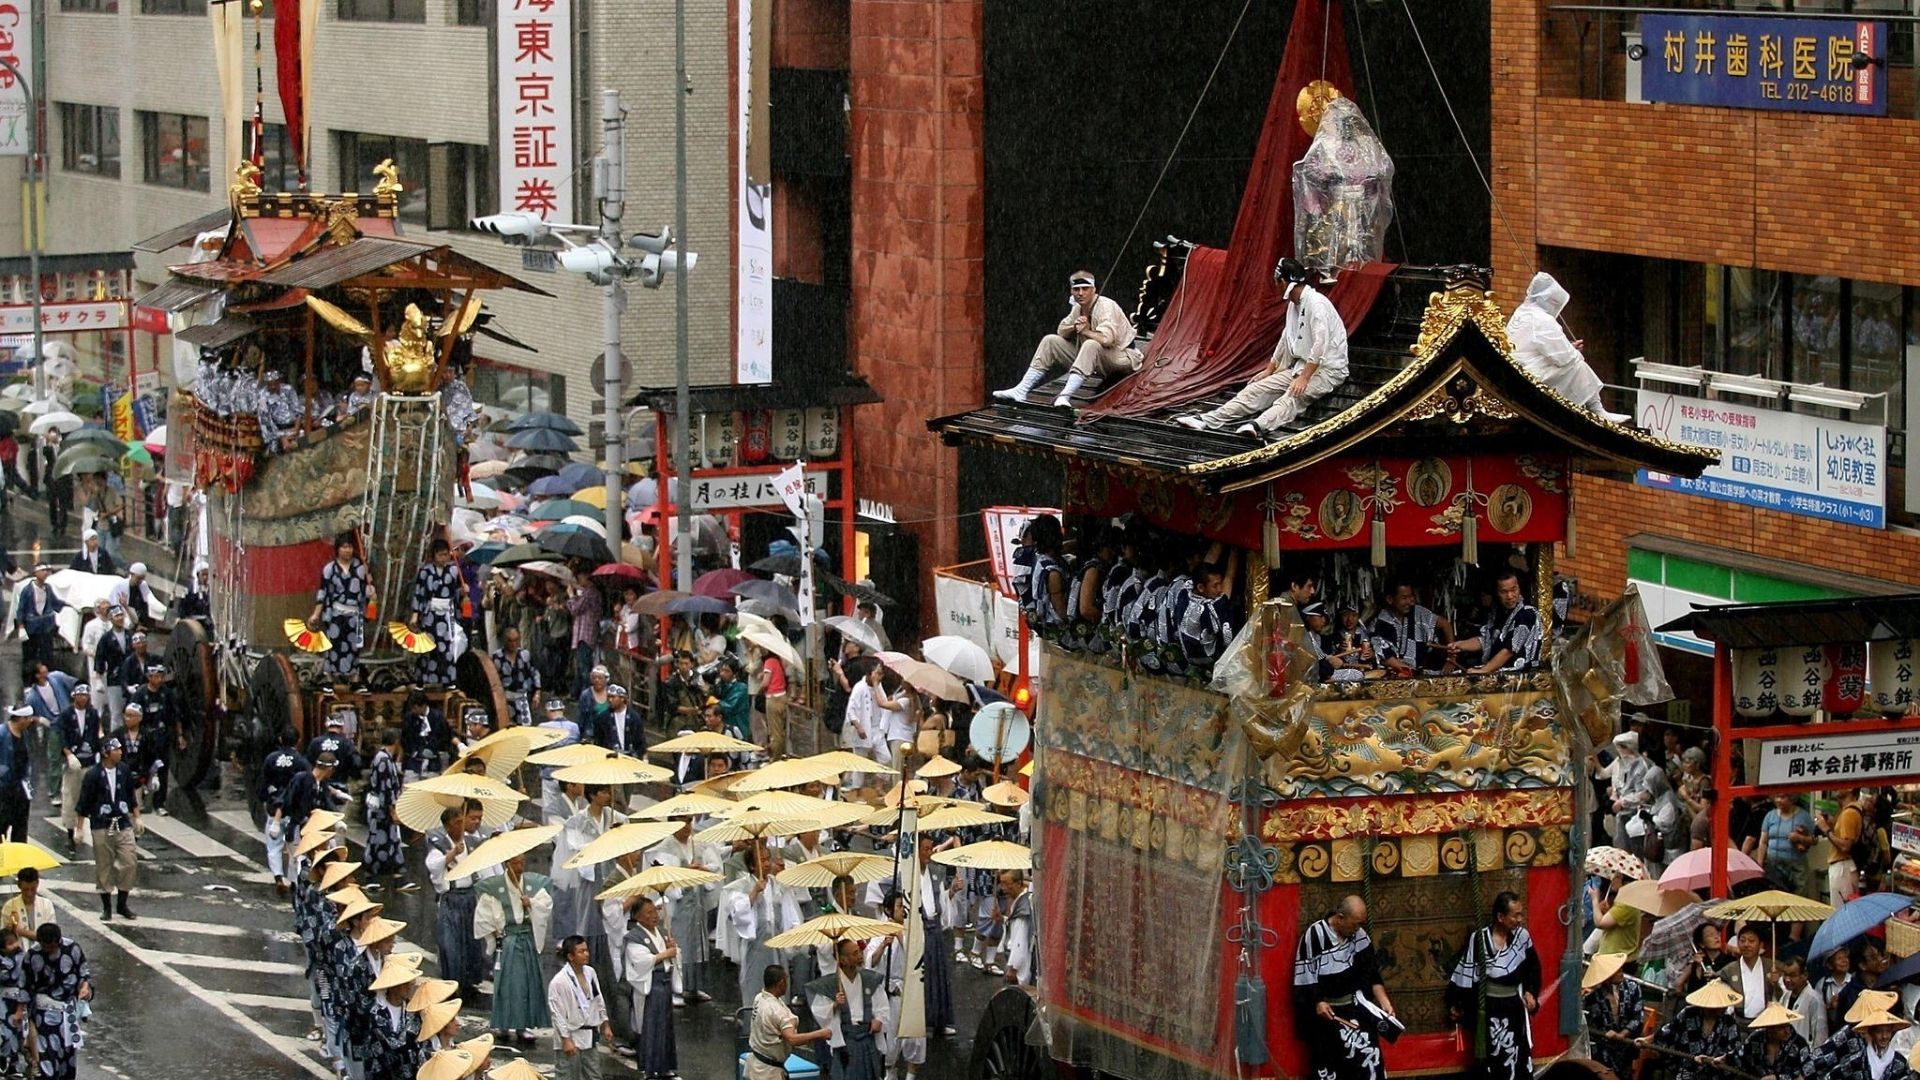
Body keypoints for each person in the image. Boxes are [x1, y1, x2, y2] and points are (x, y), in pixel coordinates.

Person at [1177, 258, 1349, 438]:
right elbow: (1286, 337)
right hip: (1300, 367)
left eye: (1277, 281)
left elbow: (1320, 343)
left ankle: (1257, 426)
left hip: (1327, 371)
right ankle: (1207, 420)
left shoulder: (1317, 304)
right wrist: (1270, 369)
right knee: (1255, 389)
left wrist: (1304, 377)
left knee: (1292, 397)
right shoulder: (1294, 304)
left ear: (1283, 282)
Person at [992, 270, 1139, 407]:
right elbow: (1061, 331)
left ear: (1094, 290)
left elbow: (1108, 340)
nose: (1080, 293)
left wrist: (1086, 331)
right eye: (1076, 289)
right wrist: (1074, 327)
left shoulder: (1106, 306)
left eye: (1085, 289)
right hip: (1094, 361)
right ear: (1072, 291)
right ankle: (1022, 390)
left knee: (1091, 344)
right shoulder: (1078, 307)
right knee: (1050, 340)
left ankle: (1065, 395)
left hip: (1121, 358)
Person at [1293, 894, 1397, 1080]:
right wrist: (1318, 1002)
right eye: (1354, 924)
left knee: (1369, 1057)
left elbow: (1371, 972)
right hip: (1328, 1014)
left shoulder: (1358, 935)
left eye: (1360, 924)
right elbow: (1306, 977)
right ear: (1340, 918)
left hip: (1356, 1007)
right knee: (1331, 1066)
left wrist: (1384, 1002)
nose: (1357, 929)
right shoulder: (1314, 936)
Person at [1446, 892, 1541, 1080]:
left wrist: (1531, 992)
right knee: (1493, 1058)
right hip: (1489, 1009)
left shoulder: (1522, 937)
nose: (1519, 919)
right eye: (1515, 915)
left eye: (1521, 914)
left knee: (1516, 1054)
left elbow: (1533, 967)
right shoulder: (1479, 939)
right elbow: (1466, 976)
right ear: (1500, 917)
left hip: (1514, 1007)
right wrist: (1458, 1004)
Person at [1506, 272, 1620, 418]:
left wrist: (1569, 347)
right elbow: (1564, 358)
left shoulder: (1521, 312)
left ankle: (1595, 408)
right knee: (1577, 364)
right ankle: (1597, 409)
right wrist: (1573, 351)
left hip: (1517, 369)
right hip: (1530, 374)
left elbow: (1542, 347)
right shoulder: (1542, 319)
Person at [474, 850, 552, 1045]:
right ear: (508, 863)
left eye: (522, 862)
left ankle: (522, 1025)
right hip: (508, 941)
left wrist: (531, 903)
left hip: (527, 940)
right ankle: (503, 1023)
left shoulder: (533, 884)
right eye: (516, 863)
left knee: (526, 983)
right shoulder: (494, 887)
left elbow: (545, 905)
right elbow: (484, 917)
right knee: (508, 984)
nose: (520, 867)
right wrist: (496, 934)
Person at [647, 819, 718, 1006]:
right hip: (677, 904)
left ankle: (694, 986)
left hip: (696, 900)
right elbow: (663, 875)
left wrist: (702, 869)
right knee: (678, 944)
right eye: (682, 823)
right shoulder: (666, 847)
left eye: (689, 822)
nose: (687, 827)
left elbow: (714, 865)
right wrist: (685, 871)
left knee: (696, 943)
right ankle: (676, 989)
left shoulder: (698, 843)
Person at [424, 801, 486, 997]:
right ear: (448, 825)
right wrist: (451, 854)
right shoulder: (439, 844)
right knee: (451, 943)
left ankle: (469, 979)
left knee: (471, 940)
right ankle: (452, 980)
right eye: (456, 822)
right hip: (451, 898)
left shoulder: (470, 842)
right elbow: (433, 866)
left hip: (469, 896)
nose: (461, 825)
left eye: (462, 821)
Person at [806, 937, 888, 1080]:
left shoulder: (870, 979)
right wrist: (835, 1005)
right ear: (842, 960)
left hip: (867, 1036)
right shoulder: (830, 984)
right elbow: (819, 1012)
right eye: (855, 954)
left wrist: (879, 1020)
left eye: (860, 952)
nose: (860, 956)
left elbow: (882, 1006)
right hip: (846, 1041)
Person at [24, 923, 90, 1080]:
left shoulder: (72, 948)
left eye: (50, 945)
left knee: (67, 1056)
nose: (47, 949)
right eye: (44, 945)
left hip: (68, 1011)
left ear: (57, 941)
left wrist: (84, 987)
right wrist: (22, 1009)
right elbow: (24, 984)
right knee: (46, 1055)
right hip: (43, 1014)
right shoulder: (33, 954)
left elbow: (83, 972)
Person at [1639, 982, 1743, 1080]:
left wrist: (1718, 1059)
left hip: (1714, 1074)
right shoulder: (1689, 1013)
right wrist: (1647, 1040)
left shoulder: (1729, 1022)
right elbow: (1668, 1031)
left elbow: (1735, 1051)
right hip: (1686, 1070)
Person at [745, 965, 833, 1080]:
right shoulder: (777, 1011)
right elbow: (792, 1039)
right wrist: (819, 1034)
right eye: (786, 981)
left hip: (756, 1063)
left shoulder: (760, 997)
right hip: (768, 1073)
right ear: (781, 983)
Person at [623, 897, 678, 1077]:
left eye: (655, 910)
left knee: (665, 1027)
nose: (654, 915)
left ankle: (664, 1066)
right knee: (651, 1027)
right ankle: (650, 1067)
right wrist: (665, 954)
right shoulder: (634, 937)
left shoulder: (660, 933)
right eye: (649, 912)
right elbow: (640, 961)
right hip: (651, 987)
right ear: (638, 917)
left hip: (664, 984)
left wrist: (671, 949)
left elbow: (670, 957)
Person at [1448, 569, 1543, 674]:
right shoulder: (1497, 613)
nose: (1510, 596)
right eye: (1504, 592)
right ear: (1497, 593)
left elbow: (1509, 650)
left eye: (1514, 590)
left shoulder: (1527, 613)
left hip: (1520, 674)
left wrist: (1484, 670)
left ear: (1519, 588)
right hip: (1497, 671)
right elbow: (1485, 640)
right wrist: (1460, 645)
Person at [311, 532, 374, 685]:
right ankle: (329, 679)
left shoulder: (360, 568)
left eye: (350, 547)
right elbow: (323, 592)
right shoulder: (330, 569)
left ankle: (354, 679)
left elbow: (364, 590)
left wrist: (370, 591)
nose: (347, 550)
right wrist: (316, 614)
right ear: (338, 549)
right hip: (336, 614)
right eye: (344, 547)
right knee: (334, 647)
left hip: (354, 614)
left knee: (354, 648)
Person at [548, 935, 614, 1080]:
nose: (586, 954)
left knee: (593, 1075)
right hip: (570, 1034)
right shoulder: (559, 982)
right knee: (566, 1076)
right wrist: (565, 1039)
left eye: (586, 950)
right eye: (581, 951)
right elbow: (557, 1013)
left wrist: (605, 1023)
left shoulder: (590, 972)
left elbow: (598, 999)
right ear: (570, 956)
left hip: (589, 1033)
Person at [911, 833, 958, 1037]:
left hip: (934, 926)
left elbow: (941, 901)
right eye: (925, 849)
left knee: (939, 975)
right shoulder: (909, 874)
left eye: (931, 848)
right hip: (918, 929)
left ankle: (940, 1020)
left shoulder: (937, 871)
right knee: (921, 976)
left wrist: (952, 892)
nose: (929, 853)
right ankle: (921, 1020)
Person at [1370, 580, 1452, 678]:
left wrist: (1452, 657)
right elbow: (1385, 655)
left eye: (1411, 597)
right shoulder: (1381, 622)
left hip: (1421, 673)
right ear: (1390, 599)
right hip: (1394, 676)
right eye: (1404, 598)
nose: (1410, 602)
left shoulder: (1419, 612)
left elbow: (1445, 624)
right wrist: (1410, 671)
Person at [259, 729, 306, 894]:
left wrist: (266, 798)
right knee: (296, 848)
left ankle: (278, 877)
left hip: (274, 808)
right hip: (293, 811)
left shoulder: (271, 759)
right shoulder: (301, 761)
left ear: (280, 738)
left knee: (274, 846)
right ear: (298, 741)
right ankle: (294, 880)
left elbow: (263, 784)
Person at [1581, 953, 1642, 1080]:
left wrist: (1623, 1034)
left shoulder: (1632, 988)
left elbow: (1638, 1016)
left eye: (1620, 969)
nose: (1621, 972)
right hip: (1603, 1048)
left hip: (1626, 1045)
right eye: (1617, 971)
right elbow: (1588, 1024)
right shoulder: (1592, 998)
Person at [1748, 793, 1817, 896]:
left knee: (1799, 894)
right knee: (1777, 894)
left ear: (1791, 799)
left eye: (1783, 797)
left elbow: (1814, 840)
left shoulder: (1803, 816)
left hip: (1796, 865)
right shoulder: (1770, 816)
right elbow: (1763, 842)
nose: (1779, 800)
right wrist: (1760, 864)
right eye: (1777, 797)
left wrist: (1800, 838)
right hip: (1774, 864)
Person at [363, 727, 405, 888]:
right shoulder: (383, 760)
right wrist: (392, 810)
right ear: (396, 742)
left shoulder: (384, 758)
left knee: (391, 840)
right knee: (378, 841)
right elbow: (385, 788)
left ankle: (396, 873)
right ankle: (371, 875)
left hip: (382, 807)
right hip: (381, 808)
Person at [1736, 1003, 1812, 1080]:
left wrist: (1778, 1078)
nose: (1787, 1031)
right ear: (1770, 1028)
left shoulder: (1799, 1044)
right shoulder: (1755, 1039)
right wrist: (1726, 1058)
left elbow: (1809, 1074)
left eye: (1788, 1026)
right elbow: (1739, 1058)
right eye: (1781, 1027)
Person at [12, 565, 61, 679]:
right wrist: (21, 626)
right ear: (36, 573)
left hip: (45, 627)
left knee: (47, 654)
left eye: (47, 571)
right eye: (43, 571)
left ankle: (48, 678)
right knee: (30, 655)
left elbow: (55, 603)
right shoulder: (27, 590)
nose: (45, 573)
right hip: (31, 628)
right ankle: (28, 679)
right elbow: (21, 609)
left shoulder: (48, 589)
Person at [1717, 925, 1774, 1022]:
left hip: (1765, 1021)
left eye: (1751, 941)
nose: (1746, 945)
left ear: (1760, 945)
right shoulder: (1729, 970)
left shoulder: (1772, 967)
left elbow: (1783, 994)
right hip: (1738, 1021)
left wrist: (1775, 983)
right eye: (1742, 941)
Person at [1827, 788, 1872, 906]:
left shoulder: (1849, 813)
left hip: (1842, 867)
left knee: (1841, 911)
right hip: (1844, 866)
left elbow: (1845, 846)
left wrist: (1826, 830)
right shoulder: (1847, 811)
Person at [1777, 956, 1830, 1049]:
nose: (1787, 979)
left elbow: (1820, 1035)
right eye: (1785, 975)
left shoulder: (1814, 999)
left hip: (1806, 1052)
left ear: (1804, 975)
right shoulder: (1785, 997)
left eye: (1792, 975)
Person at [493, 626, 541, 726]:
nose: (513, 644)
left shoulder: (525, 654)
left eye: (516, 640)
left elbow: (534, 672)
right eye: (510, 641)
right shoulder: (497, 657)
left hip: (524, 697)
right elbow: (493, 681)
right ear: (505, 640)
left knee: (526, 728)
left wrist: (537, 692)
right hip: (505, 699)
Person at [750, 644, 791, 760]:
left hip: (773, 699)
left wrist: (759, 691)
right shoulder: (777, 661)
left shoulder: (769, 661)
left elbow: (766, 683)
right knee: (780, 730)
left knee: (775, 732)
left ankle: (775, 759)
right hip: (782, 697)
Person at [401, 690, 451, 779]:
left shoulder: (438, 717)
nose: (413, 710)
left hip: (434, 761)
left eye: (415, 708)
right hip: (414, 761)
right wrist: (417, 752)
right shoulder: (409, 718)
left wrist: (433, 750)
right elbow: (406, 739)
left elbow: (444, 737)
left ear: (423, 706)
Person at [0, 706, 30, 845]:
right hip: (3, 789)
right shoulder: (2, 733)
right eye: (27, 718)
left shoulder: (25, 735)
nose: (30, 721)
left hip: (21, 788)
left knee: (20, 828)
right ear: (19, 719)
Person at [594, 685, 646, 757]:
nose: (610, 700)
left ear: (622, 698)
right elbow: (599, 739)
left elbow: (640, 740)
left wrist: (637, 754)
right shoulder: (603, 717)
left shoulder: (634, 717)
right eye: (608, 697)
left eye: (613, 697)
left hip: (630, 757)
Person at [1, 870, 53, 940]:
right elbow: (3, 938)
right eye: (25, 890)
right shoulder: (9, 906)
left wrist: (21, 931)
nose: (29, 894)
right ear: (19, 886)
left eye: (33, 889)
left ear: (37, 884)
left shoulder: (46, 905)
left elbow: (50, 936)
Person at [714, 659, 753, 745]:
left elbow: (731, 707)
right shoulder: (720, 686)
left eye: (726, 671)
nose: (722, 674)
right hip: (723, 726)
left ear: (734, 674)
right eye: (721, 670)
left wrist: (716, 702)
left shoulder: (741, 687)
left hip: (738, 724)